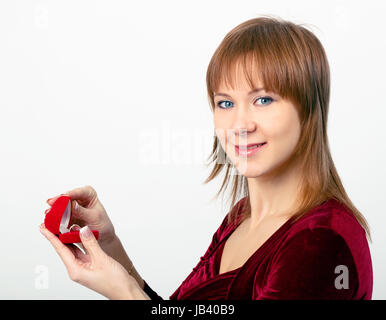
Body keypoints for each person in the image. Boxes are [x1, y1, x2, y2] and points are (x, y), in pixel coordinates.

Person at [39, 16, 373, 300]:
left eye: (264, 100)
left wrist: (126, 294)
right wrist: (110, 248)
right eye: (225, 103)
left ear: (309, 109)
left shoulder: (323, 241)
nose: (240, 125)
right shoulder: (240, 218)